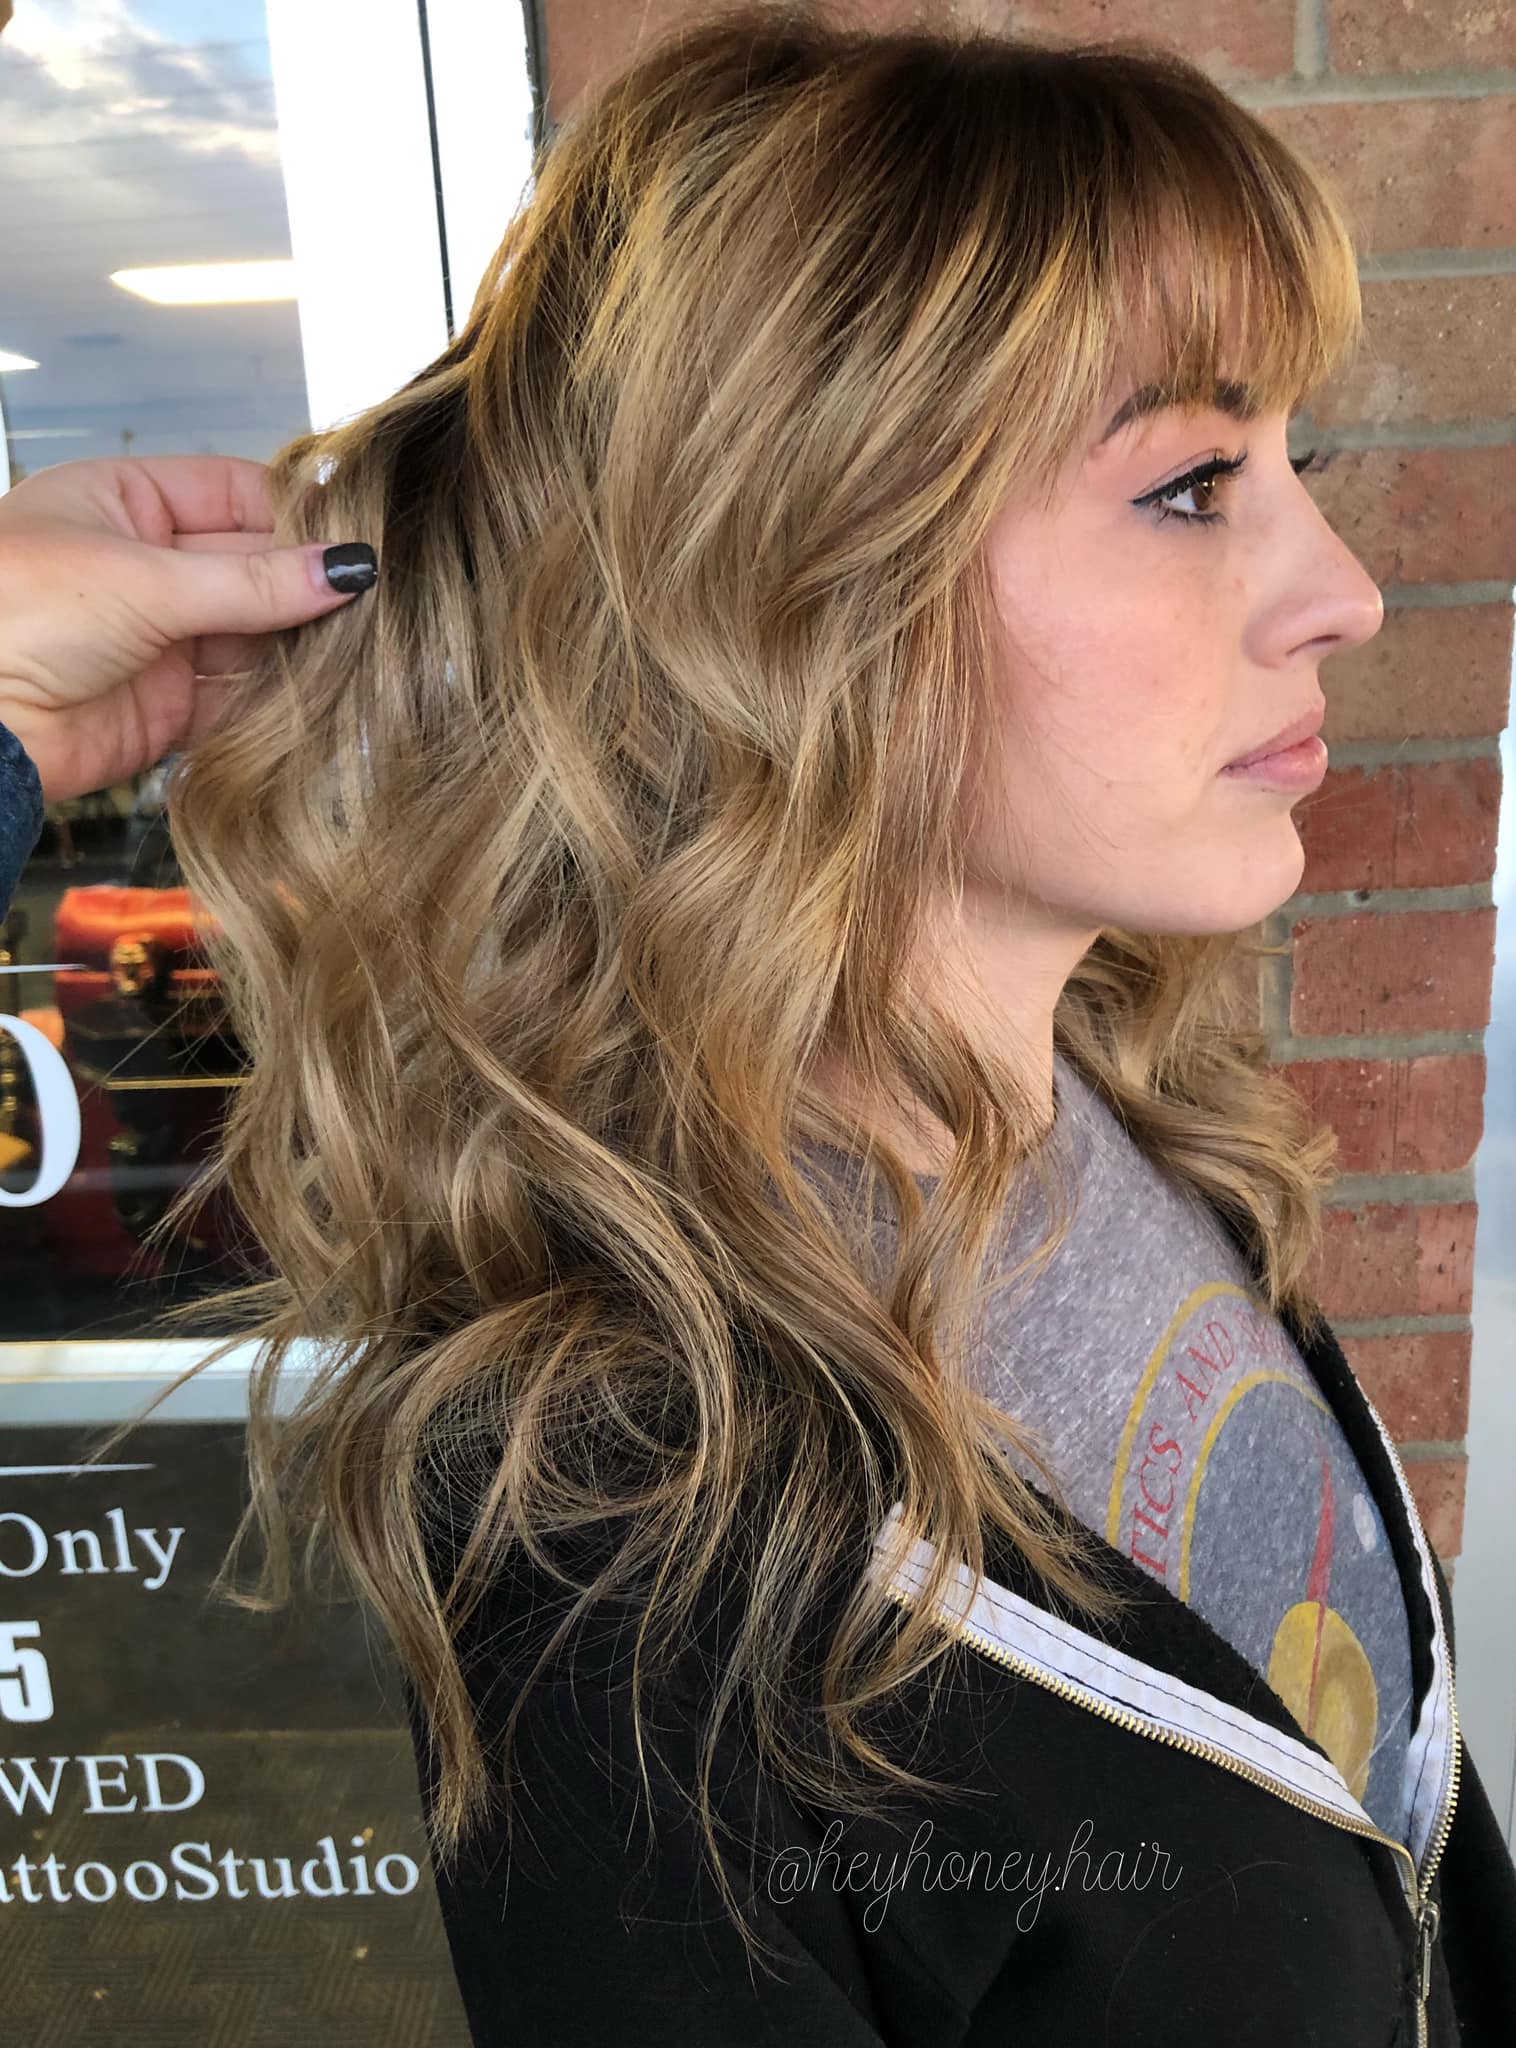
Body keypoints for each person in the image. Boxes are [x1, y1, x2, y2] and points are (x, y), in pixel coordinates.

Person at [2, 11, 1513, 2045]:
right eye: (1188, 487)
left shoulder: (1132, 1115)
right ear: (790, 581)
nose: (1340, 590)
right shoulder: (629, 1546)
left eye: (1291, 466)